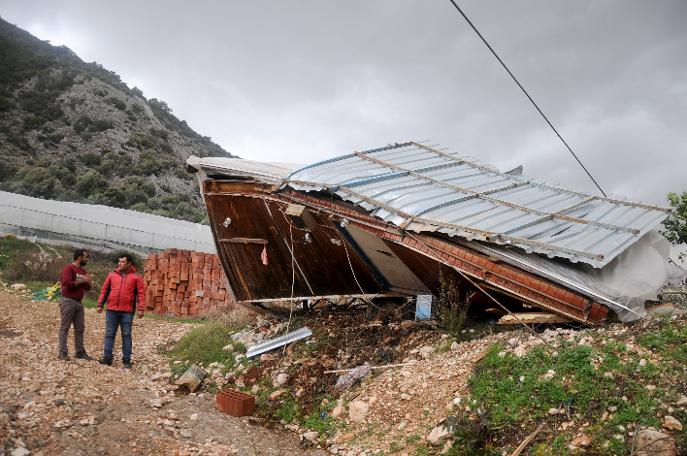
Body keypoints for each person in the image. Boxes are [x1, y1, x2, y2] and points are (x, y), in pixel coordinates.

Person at [96, 253, 145, 368]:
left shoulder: (136, 277)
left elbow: (141, 293)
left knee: (126, 335)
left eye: (123, 262)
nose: (120, 263)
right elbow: (105, 290)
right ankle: (107, 358)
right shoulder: (112, 275)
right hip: (111, 310)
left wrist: (141, 308)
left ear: (129, 264)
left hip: (127, 311)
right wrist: (100, 304)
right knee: (109, 334)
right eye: (119, 261)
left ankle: (126, 361)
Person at [58, 249, 93, 361]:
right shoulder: (69, 268)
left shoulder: (83, 271)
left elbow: (87, 288)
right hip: (68, 300)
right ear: (79, 257)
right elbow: (67, 284)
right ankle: (62, 352)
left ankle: (80, 352)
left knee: (80, 329)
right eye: (86, 257)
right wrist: (83, 281)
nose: (87, 260)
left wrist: (89, 282)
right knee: (65, 327)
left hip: (79, 302)